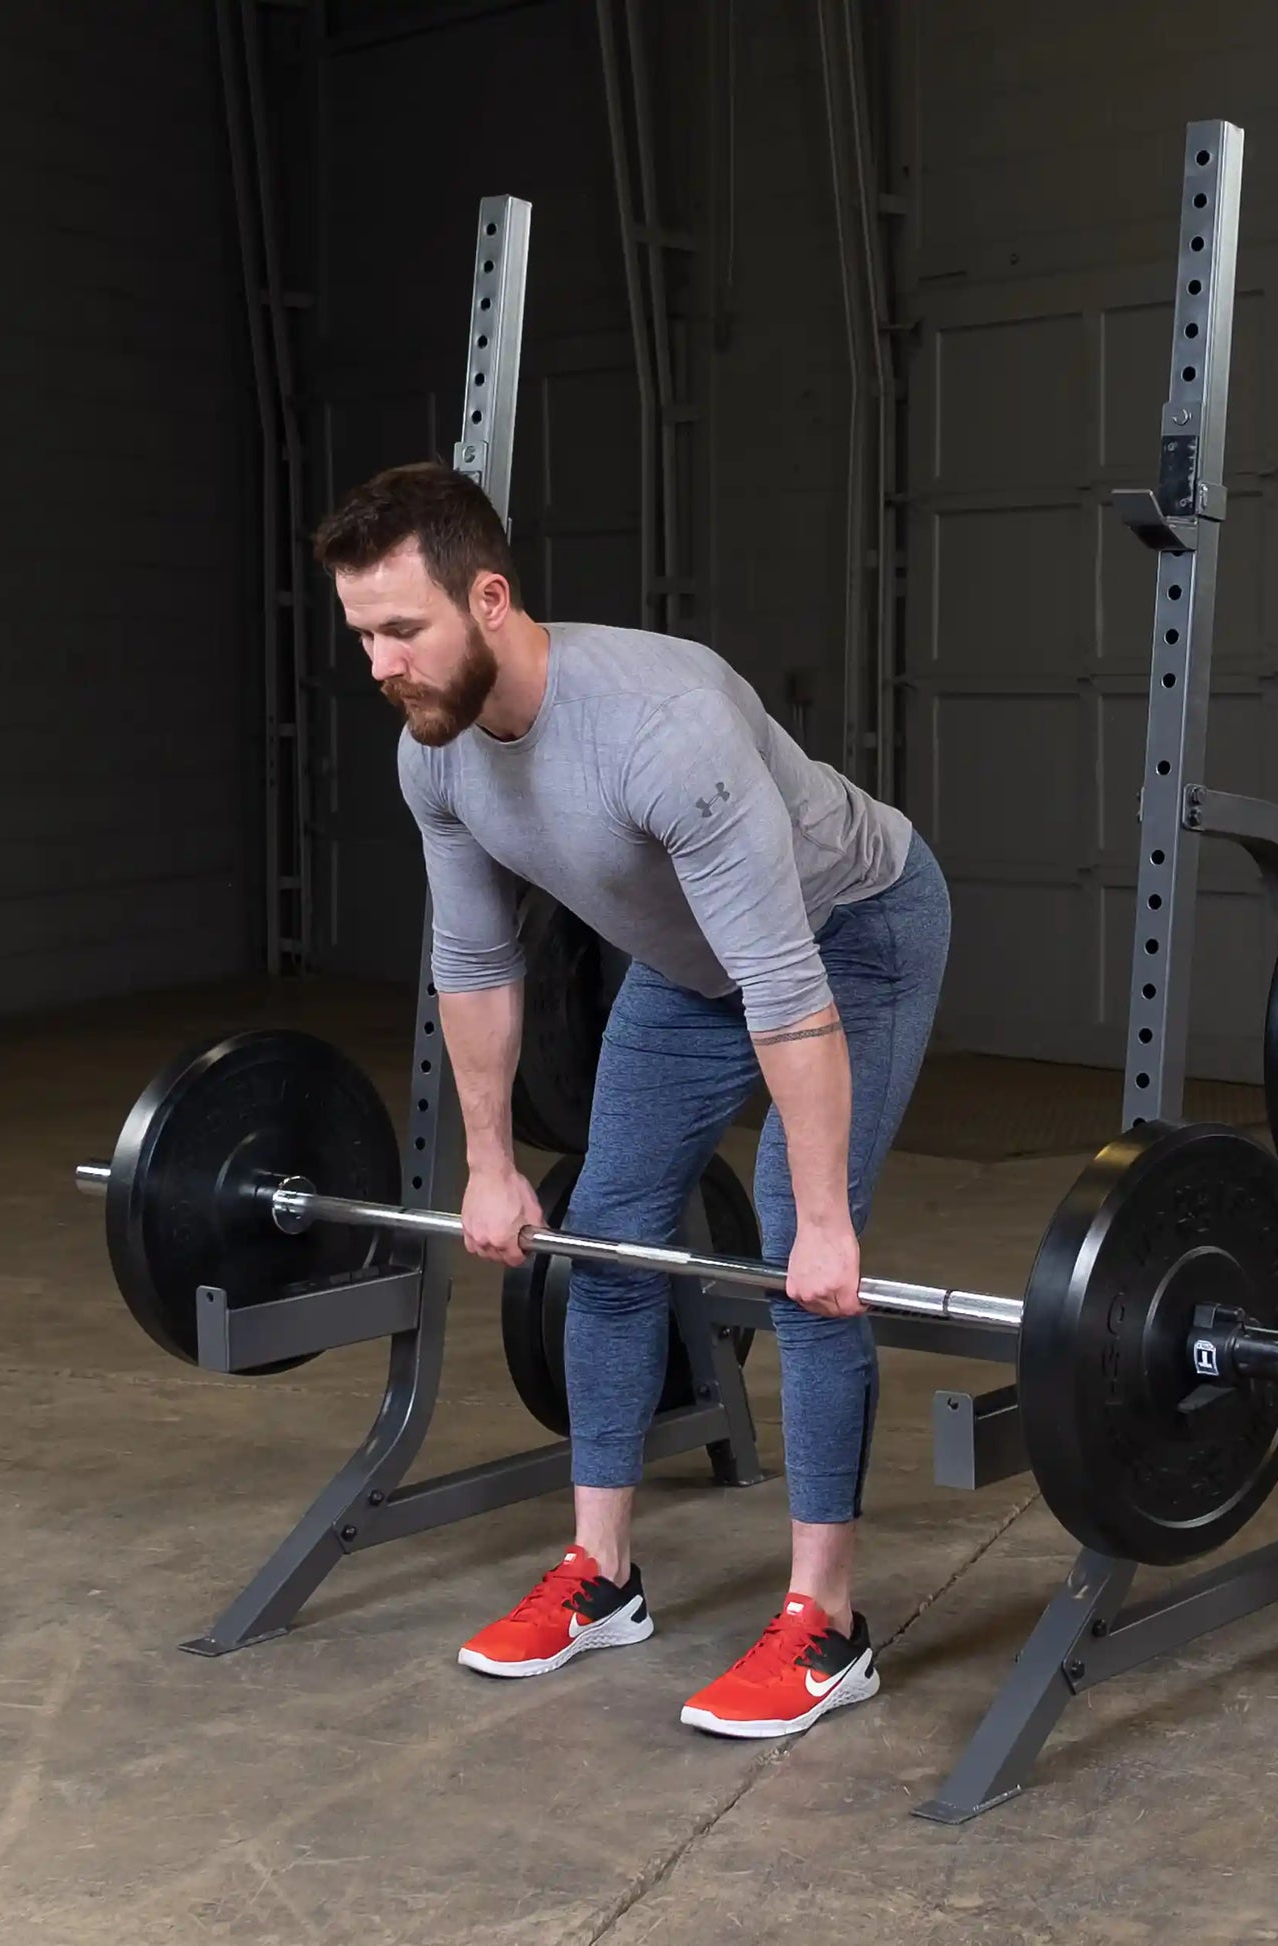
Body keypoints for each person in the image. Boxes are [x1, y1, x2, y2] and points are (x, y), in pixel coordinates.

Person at [311, 462, 950, 1738]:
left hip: (849, 938)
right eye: (362, 635)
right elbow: (477, 962)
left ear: (488, 599)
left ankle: (827, 1622)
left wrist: (825, 1218)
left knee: (795, 1258)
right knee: (601, 1234)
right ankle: (601, 1575)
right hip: (686, 965)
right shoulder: (433, 759)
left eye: (401, 630)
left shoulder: (664, 726)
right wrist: (488, 1164)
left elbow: (784, 985)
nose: (380, 664)